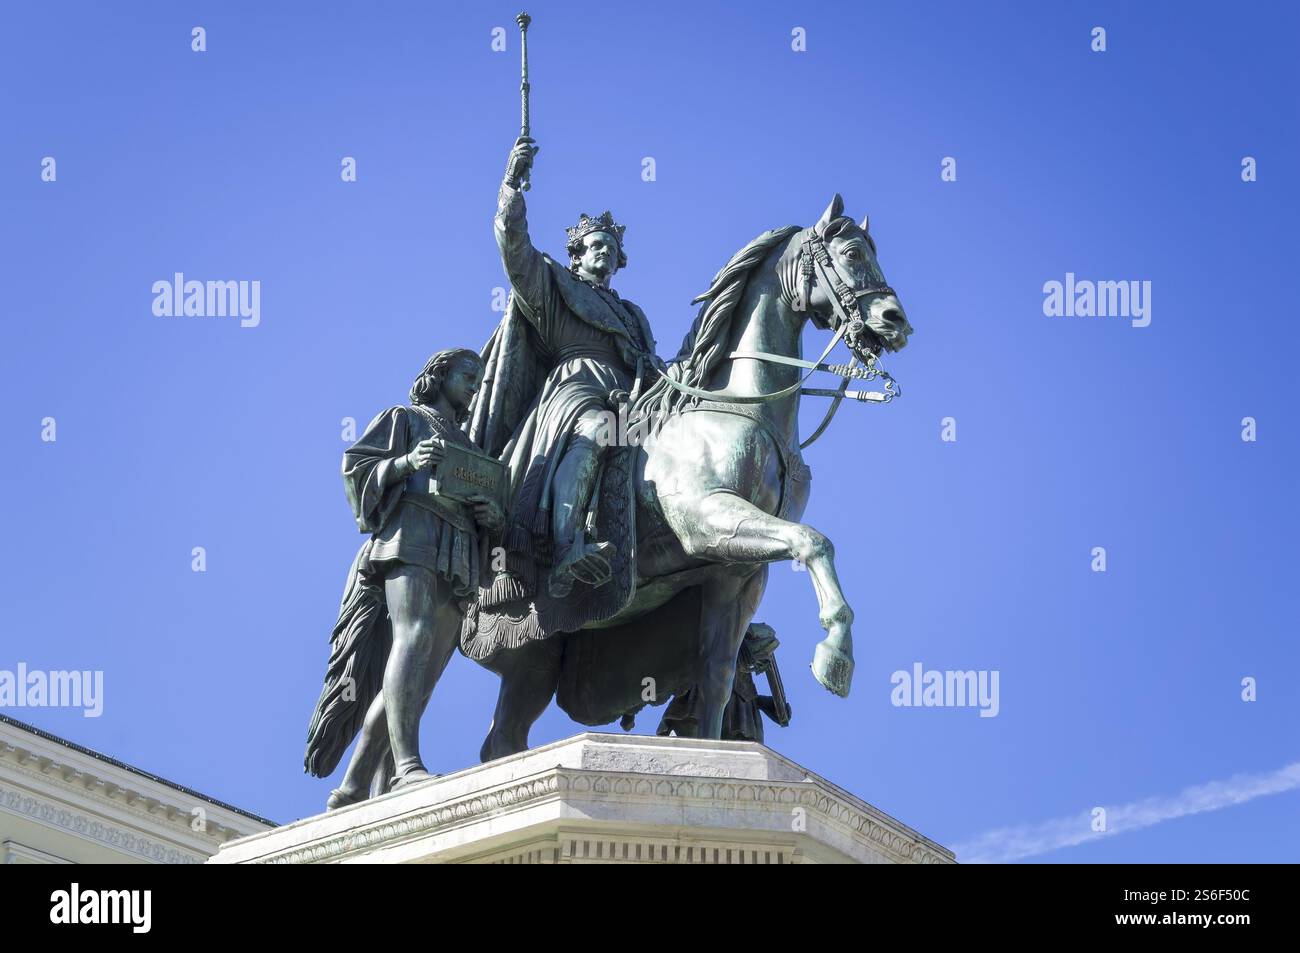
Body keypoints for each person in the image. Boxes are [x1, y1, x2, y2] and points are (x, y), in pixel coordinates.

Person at [304, 349, 504, 808]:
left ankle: (353, 787)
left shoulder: (472, 450)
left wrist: (490, 514)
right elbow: (355, 467)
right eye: (467, 375)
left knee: (423, 677)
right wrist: (407, 463)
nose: (476, 384)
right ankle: (406, 769)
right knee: (411, 640)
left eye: (479, 378)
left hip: (457, 551)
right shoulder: (405, 419)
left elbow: (491, 512)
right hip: (411, 535)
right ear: (439, 376)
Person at [471, 135, 660, 603]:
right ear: (577, 254)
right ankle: (566, 545)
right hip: (576, 389)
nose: (604, 253)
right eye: (595, 246)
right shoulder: (554, 286)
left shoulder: (634, 314)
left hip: (633, 398)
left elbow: (653, 367)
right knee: (597, 431)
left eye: (611, 249)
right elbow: (515, 252)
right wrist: (512, 185)